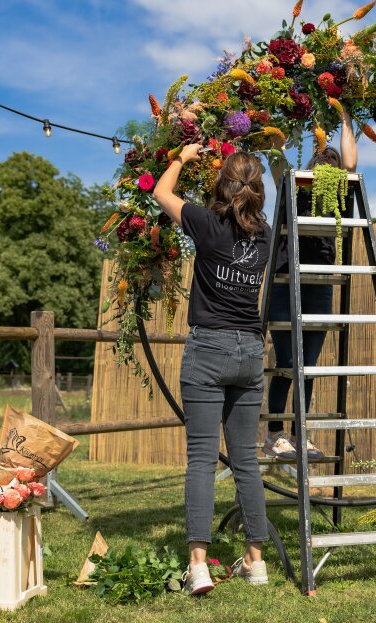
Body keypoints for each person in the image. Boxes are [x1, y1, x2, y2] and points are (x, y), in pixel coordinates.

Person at [154, 145, 271, 595]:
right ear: (258, 189)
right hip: (250, 352)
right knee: (246, 460)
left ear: (222, 185)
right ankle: (255, 562)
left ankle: (199, 568)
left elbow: (162, 192)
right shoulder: (264, 234)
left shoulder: (207, 223)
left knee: (202, 459)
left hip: (209, 348)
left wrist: (182, 157)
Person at [262, 109, 357, 461]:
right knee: (287, 360)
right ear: (311, 165)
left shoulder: (338, 197)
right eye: (322, 157)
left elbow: (350, 163)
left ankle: (299, 435)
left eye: (332, 158)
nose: (328, 159)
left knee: (310, 365)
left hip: (319, 284)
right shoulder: (294, 189)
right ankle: (274, 434)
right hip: (286, 282)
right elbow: (276, 159)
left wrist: (345, 118)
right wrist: (275, 126)